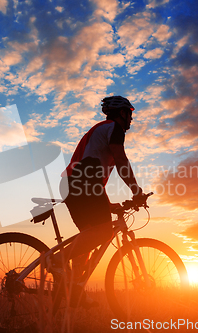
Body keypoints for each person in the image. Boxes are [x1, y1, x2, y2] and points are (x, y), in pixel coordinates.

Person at [52, 96, 143, 306]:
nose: (131, 119)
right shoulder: (114, 128)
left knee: (88, 237)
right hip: (81, 181)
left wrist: (108, 204)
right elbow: (121, 161)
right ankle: (55, 260)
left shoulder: (99, 129)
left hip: (73, 183)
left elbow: (93, 176)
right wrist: (136, 191)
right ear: (122, 113)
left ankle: (74, 290)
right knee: (104, 232)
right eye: (130, 113)